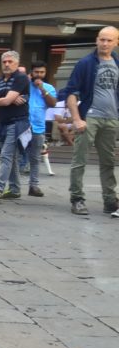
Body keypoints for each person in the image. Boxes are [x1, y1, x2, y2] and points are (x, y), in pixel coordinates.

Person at [59, 26, 118, 217]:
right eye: (102, 39)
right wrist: (76, 119)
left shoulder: (117, 62)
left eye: (109, 40)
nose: (105, 43)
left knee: (108, 161)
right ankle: (77, 198)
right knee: (80, 160)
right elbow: (71, 92)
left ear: (116, 42)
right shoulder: (86, 63)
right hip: (89, 117)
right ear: (96, 40)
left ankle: (110, 201)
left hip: (111, 118)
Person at [0, 50, 29, 203]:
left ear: (17, 63)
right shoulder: (0, 80)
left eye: (10, 62)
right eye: (4, 62)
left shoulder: (21, 77)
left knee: (6, 156)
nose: (7, 64)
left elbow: (4, 101)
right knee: (12, 157)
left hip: (16, 122)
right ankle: (15, 189)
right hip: (3, 122)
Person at [20, 60, 56, 196]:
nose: (39, 75)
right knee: (15, 156)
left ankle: (33, 186)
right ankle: (14, 186)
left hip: (38, 128)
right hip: (22, 126)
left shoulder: (49, 88)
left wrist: (42, 89)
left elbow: (53, 103)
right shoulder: (24, 85)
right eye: (36, 72)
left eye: (42, 72)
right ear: (32, 72)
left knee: (35, 158)